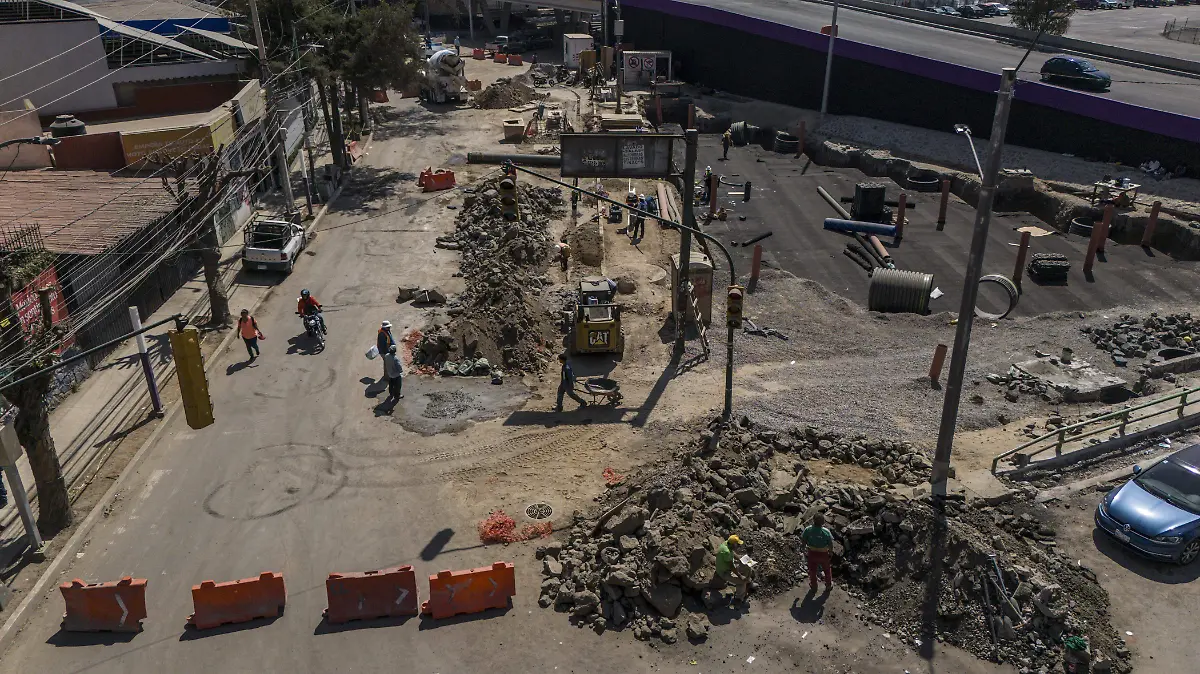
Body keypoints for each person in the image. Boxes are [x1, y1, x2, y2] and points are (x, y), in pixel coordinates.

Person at [801, 513, 834, 592]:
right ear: (823, 522)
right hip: (823, 553)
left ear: (813, 521)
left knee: (812, 570)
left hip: (812, 553)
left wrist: (803, 550)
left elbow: (803, 541)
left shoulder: (808, 530)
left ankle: (814, 585)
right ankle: (828, 585)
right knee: (826, 569)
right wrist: (831, 552)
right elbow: (830, 544)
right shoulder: (826, 531)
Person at [715, 534, 750, 602]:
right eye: (737, 544)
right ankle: (738, 599)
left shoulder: (727, 543)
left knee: (747, 567)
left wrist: (739, 558)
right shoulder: (726, 552)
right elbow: (731, 567)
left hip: (727, 565)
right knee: (742, 581)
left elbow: (732, 552)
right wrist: (740, 576)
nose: (739, 546)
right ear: (733, 544)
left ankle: (747, 586)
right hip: (725, 572)